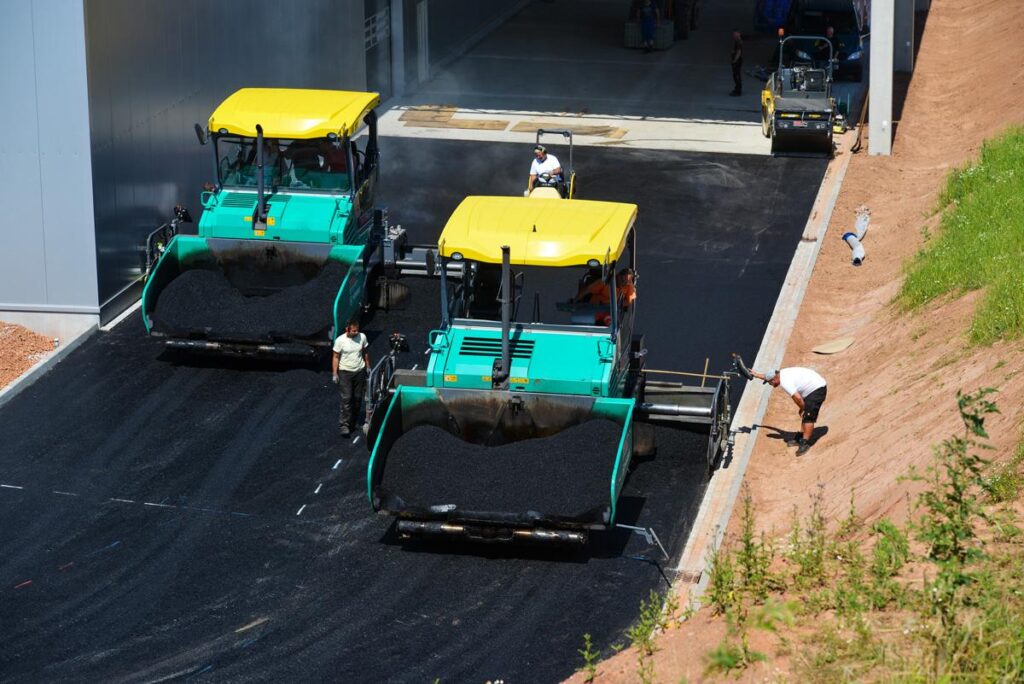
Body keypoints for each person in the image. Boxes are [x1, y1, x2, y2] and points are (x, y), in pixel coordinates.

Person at [749, 366, 827, 456]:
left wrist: (802, 408)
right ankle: (801, 436)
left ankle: (805, 443)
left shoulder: (785, 382)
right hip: (812, 387)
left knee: (808, 415)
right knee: (805, 412)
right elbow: (769, 376)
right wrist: (757, 375)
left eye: (770, 383)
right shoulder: (779, 374)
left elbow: (797, 397)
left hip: (817, 389)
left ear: (774, 379)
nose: (770, 384)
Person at [332, 319, 371, 438]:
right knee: (347, 398)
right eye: (353, 331)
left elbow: (365, 352)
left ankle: (353, 422)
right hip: (345, 372)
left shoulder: (362, 337)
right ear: (347, 329)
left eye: (357, 330)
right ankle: (344, 425)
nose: (356, 333)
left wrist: (368, 366)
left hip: (359, 371)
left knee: (358, 398)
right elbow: (335, 357)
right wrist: (335, 373)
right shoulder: (340, 341)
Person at [730, 30, 743, 96]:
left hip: (737, 61)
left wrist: (735, 60)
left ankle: (738, 90)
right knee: (736, 75)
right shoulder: (737, 41)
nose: (734, 36)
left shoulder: (739, 42)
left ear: (738, 34)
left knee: (736, 75)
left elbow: (739, 52)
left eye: (735, 34)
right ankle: (737, 88)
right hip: (737, 60)